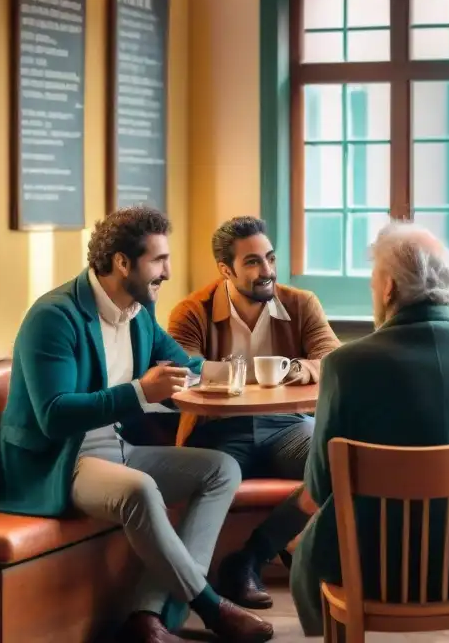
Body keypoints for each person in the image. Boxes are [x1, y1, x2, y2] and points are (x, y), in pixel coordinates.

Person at [0, 206, 273, 643]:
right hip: (59, 460)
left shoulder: (138, 313)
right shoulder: (54, 318)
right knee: (139, 489)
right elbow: (54, 414)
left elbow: (186, 365)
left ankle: (147, 616)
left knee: (221, 469)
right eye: (158, 260)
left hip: (114, 449)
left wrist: (247, 376)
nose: (168, 272)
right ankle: (212, 608)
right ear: (121, 262)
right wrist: (139, 392)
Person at [288, 221, 449, 636]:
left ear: (388, 287)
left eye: (373, 281)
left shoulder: (346, 364)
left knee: (316, 539)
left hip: (371, 569)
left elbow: (319, 487)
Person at [167, 216, 341, 609]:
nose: (267, 271)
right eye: (252, 262)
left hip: (290, 427)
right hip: (219, 431)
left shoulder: (300, 303)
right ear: (225, 270)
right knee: (200, 478)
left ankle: (248, 558)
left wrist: (301, 368)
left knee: (339, 463)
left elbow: (331, 357)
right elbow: (181, 370)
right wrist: (232, 378)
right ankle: (188, 597)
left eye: (270, 258)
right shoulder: (191, 311)